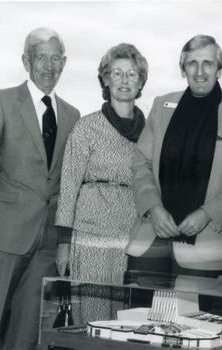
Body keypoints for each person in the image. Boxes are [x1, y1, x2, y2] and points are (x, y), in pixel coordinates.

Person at [0, 27, 80, 350]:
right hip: (4, 236)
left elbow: (67, 182)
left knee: (26, 331)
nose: (48, 65)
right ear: (26, 60)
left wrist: (63, 239)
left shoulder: (72, 115)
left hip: (46, 242)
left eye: (55, 58)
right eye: (40, 57)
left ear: (64, 62)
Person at [125, 35, 222, 278]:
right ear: (182, 69)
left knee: (189, 316)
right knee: (137, 315)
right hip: (149, 241)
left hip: (203, 247)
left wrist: (207, 214)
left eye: (207, 63)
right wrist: (153, 208)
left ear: (219, 70)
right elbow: (141, 164)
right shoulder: (161, 105)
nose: (200, 71)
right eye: (192, 63)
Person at [54, 43, 148, 322]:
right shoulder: (87, 127)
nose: (124, 80)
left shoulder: (151, 131)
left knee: (125, 323)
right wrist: (62, 243)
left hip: (131, 238)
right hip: (90, 236)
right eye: (116, 73)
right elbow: (69, 186)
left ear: (141, 81)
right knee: (92, 320)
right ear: (105, 79)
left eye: (132, 74)